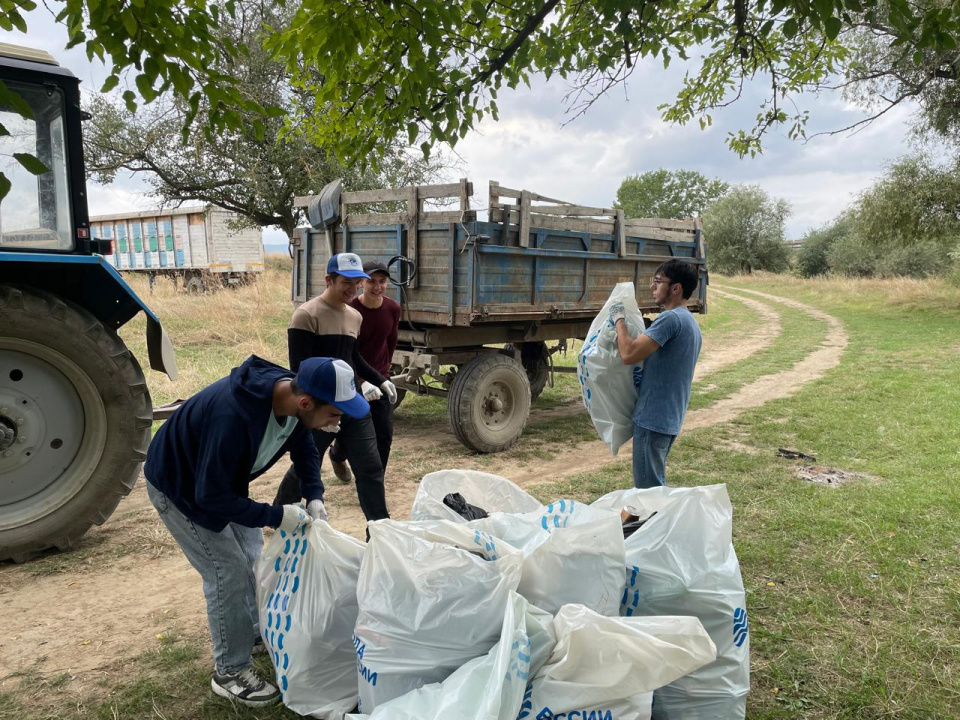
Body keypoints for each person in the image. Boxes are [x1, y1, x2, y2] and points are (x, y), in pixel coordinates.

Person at [144, 355, 370, 707]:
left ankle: (249, 631)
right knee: (227, 571)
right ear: (306, 402)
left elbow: (305, 449)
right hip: (181, 486)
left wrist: (314, 495)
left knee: (251, 555)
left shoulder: (293, 401)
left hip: (219, 481)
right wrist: (275, 515)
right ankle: (230, 671)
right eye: (335, 414)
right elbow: (211, 496)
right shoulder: (233, 416)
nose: (337, 423)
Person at [272, 253, 397, 520]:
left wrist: (379, 379)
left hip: (351, 402)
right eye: (346, 282)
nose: (353, 289)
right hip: (320, 407)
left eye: (357, 283)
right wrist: (315, 414)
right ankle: (282, 507)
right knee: (308, 462)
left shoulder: (354, 316)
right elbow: (300, 369)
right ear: (329, 280)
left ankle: (379, 528)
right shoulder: (306, 315)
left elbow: (352, 357)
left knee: (370, 467)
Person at [610, 259, 702, 489]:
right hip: (668, 417)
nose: (652, 287)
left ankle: (654, 524)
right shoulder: (689, 321)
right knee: (653, 486)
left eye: (658, 282)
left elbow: (628, 353)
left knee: (648, 493)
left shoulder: (671, 319)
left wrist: (619, 320)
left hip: (653, 419)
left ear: (676, 288)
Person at [328, 259, 402, 483]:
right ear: (362, 283)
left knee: (384, 433)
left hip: (379, 378)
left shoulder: (392, 308)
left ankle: (375, 479)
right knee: (349, 427)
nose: (377, 286)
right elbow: (346, 351)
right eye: (372, 281)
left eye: (382, 281)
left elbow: (390, 343)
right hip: (350, 377)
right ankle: (336, 454)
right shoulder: (349, 310)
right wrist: (361, 380)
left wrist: (383, 375)